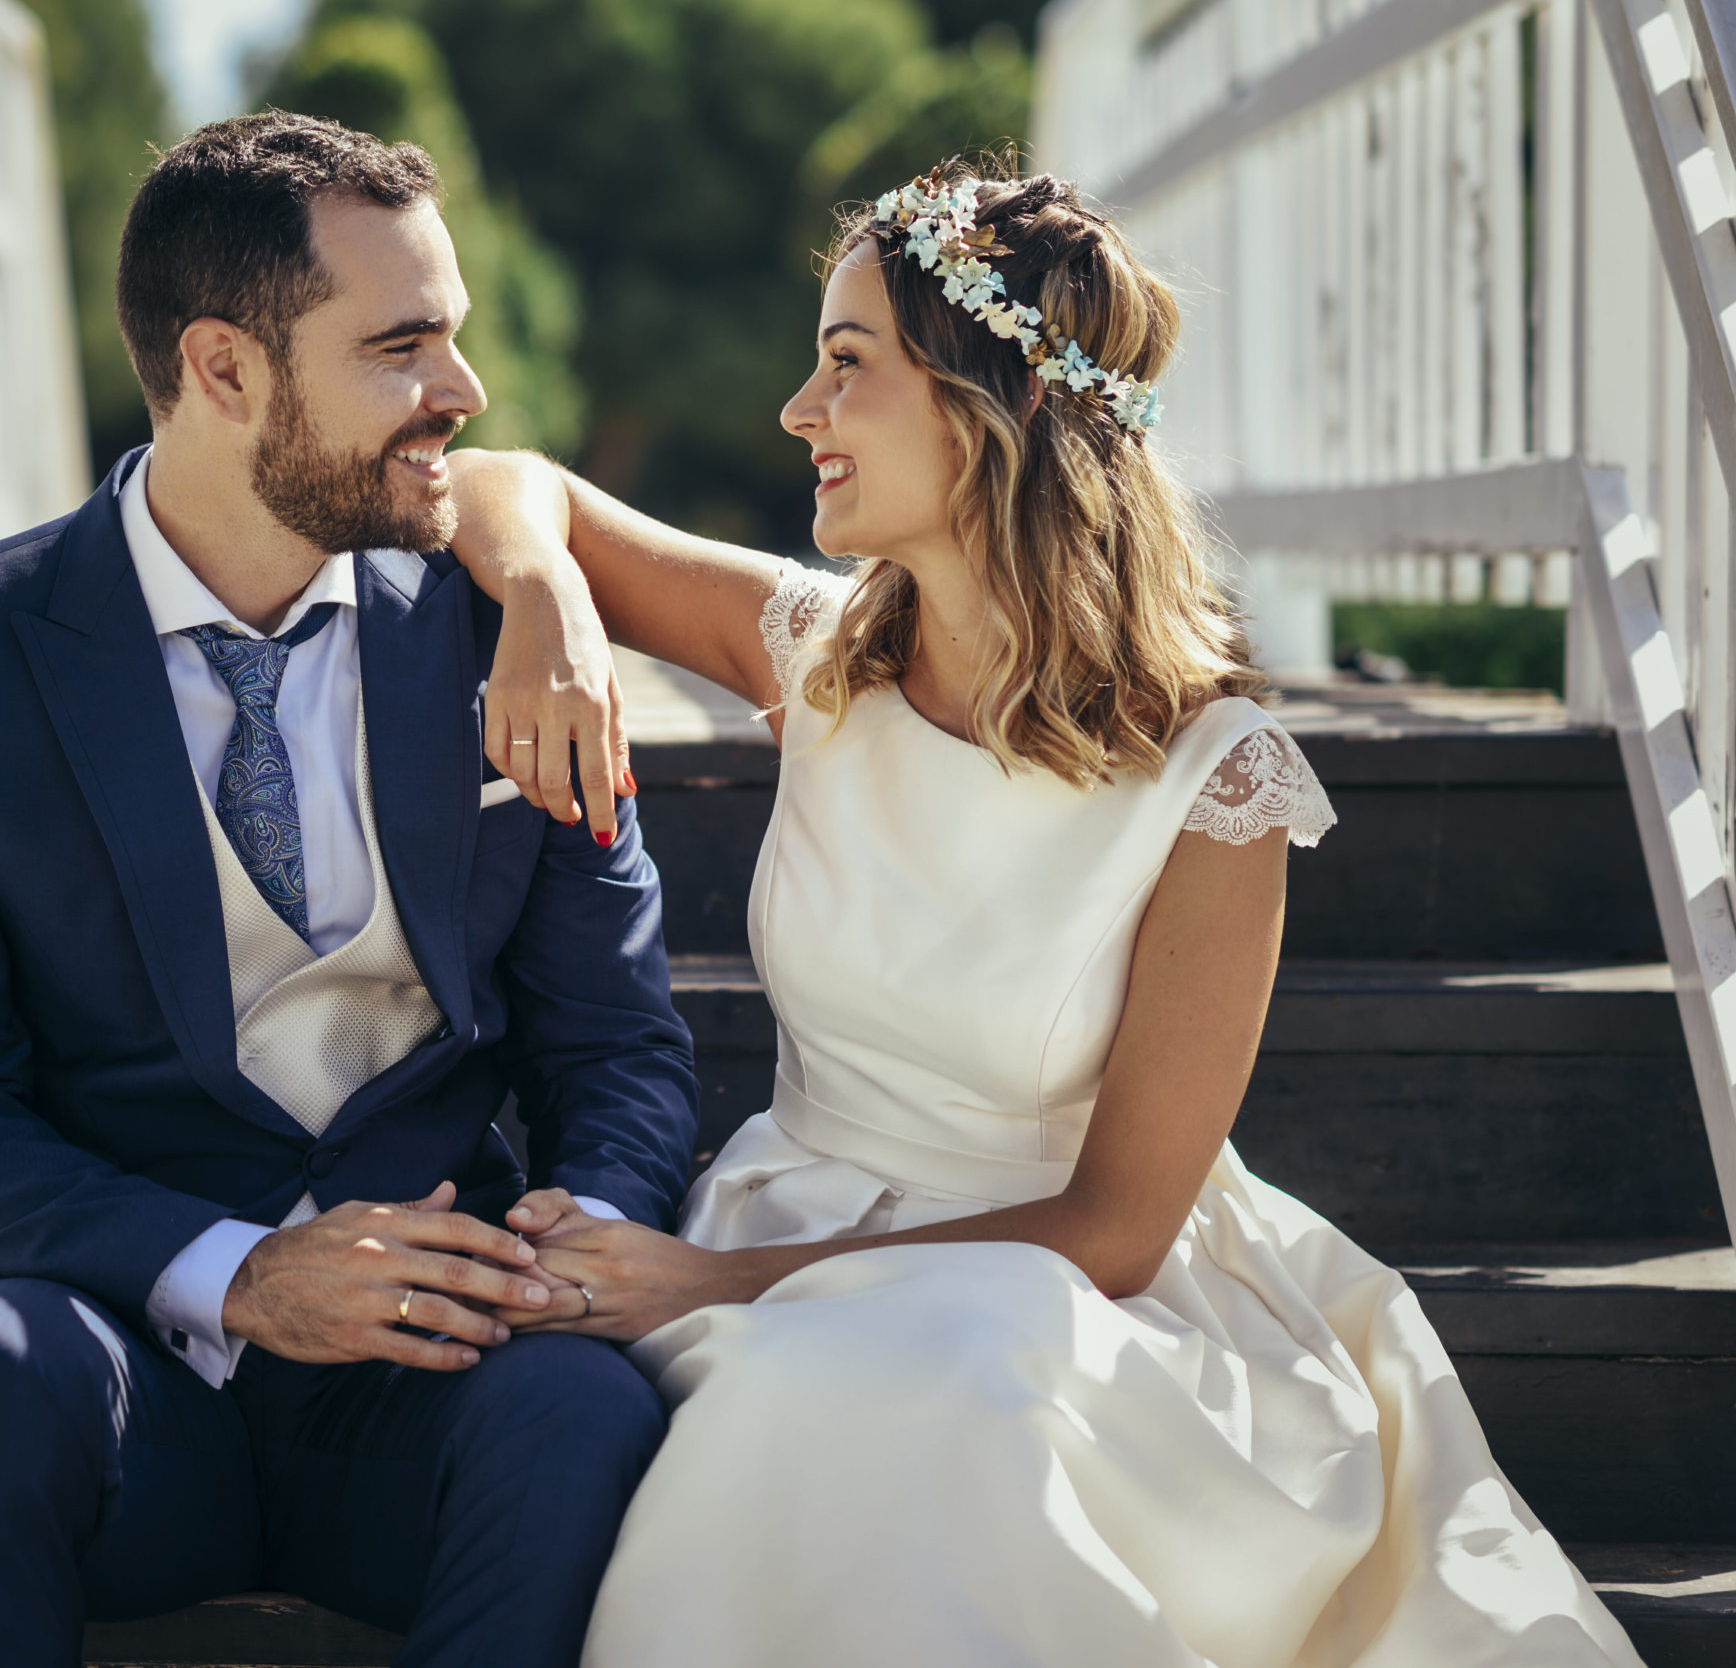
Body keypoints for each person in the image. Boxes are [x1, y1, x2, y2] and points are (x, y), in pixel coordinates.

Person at [448, 161, 1641, 1666]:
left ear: (985, 405)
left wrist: (708, 1280)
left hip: (1054, 1290)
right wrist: (549, 602)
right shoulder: (818, 657)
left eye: (846, 365)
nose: (796, 414)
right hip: (797, 1219)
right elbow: (511, 485)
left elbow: (1118, 1228)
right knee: (821, 1408)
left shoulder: (1218, 783)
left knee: (952, 1396)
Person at [0, 112, 698, 1667]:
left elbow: (617, 1046)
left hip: (441, 1359)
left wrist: (583, 1231)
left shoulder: (502, 633)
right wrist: (242, 1277)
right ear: (223, 369)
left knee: (582, 1406)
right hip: (126, 1363)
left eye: (457, 336)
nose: (463, 393)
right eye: (403, 344)